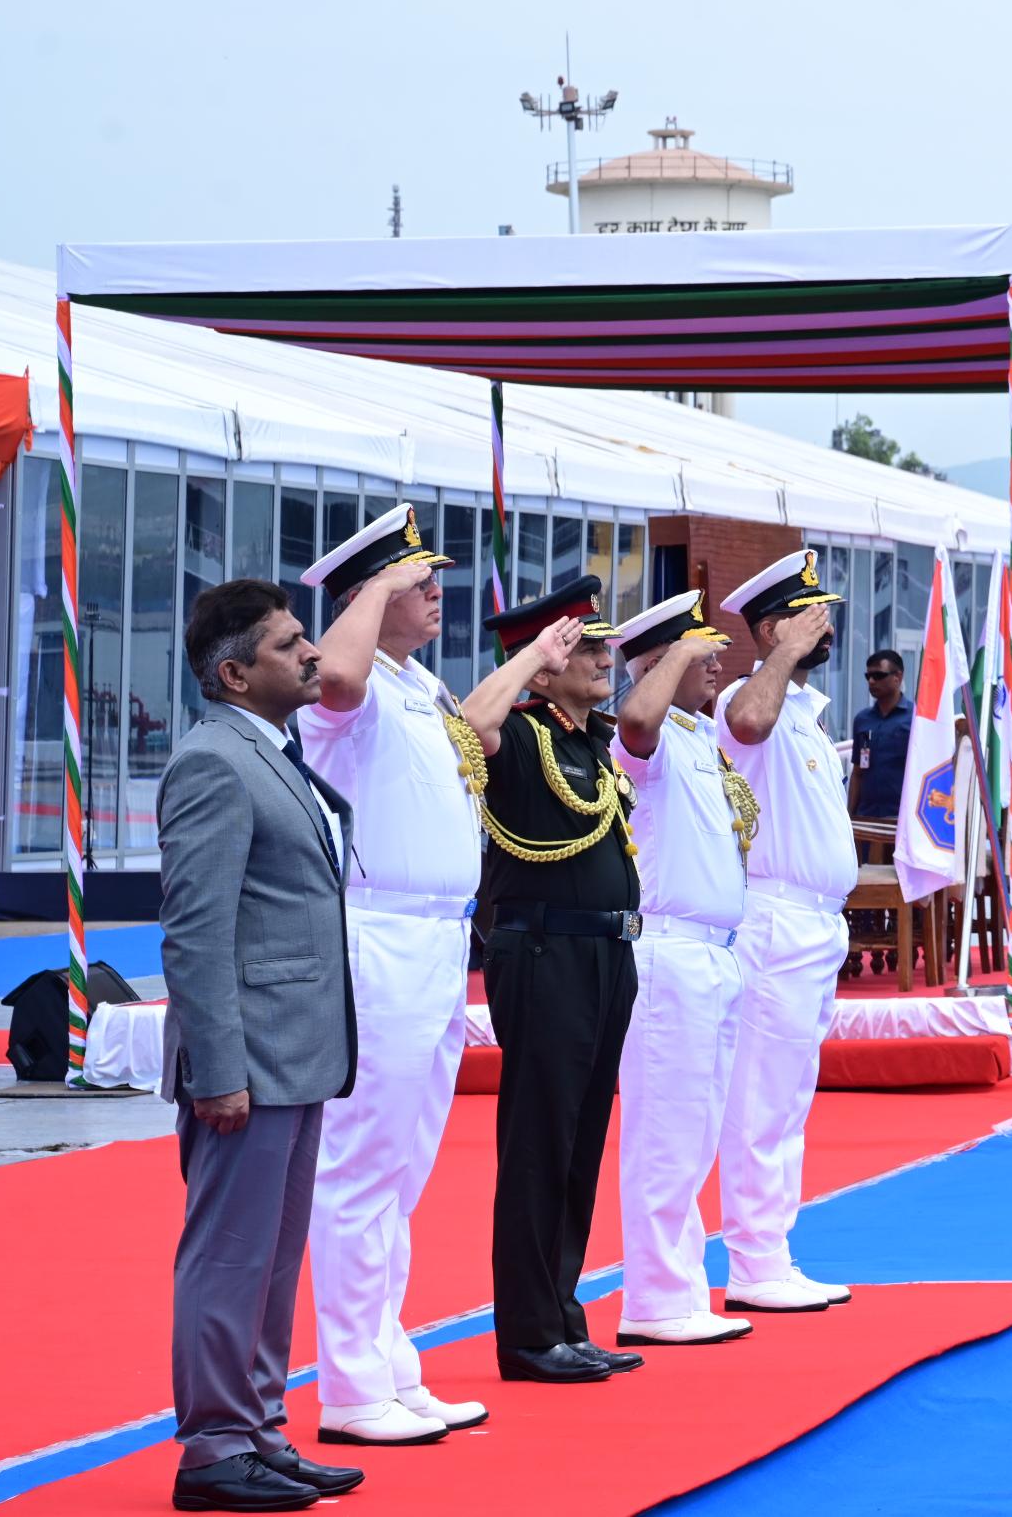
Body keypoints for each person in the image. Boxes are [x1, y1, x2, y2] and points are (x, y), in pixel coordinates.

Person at [159, 579, 368, 1512]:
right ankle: (211, 1449)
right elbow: (195, 934)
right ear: (236, 673)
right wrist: (219, 1070)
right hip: (249, 1061)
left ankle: (259, 1429)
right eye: (291, 646)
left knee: (276, 1258)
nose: (313, 655)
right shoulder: (213, 763)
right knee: (230, 1256)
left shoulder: (270, 752)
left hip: (298, 1053)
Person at [293, 506, 489, 1446]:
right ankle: (351, 1387)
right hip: (380, 938)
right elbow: (331, 673)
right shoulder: (354, 683)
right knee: (362, 1167)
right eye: (418, 581)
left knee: (402, 1171)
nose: (436, 594)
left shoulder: (416, 685)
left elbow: (478, 742)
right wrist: (372, 587)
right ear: (372, 593)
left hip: (438, 942)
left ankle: (389, 1360)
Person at [456, 577, 645, 1385]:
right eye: (585, 647)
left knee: (578, 1144)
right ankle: (530, 1333)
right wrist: (532, 654)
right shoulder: (522, 732)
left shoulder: (585, 741)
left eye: (601, 645)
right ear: (541, 667)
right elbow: (470, 726)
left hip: (604, 955)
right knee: (538, 1143)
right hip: (543, 955)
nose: (605, 659)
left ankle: (563, 1314)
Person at [606, 591, 757, 1347]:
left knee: (695, 1128)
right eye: (703, 650)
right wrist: (669, 662)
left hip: (713, 952)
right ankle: (657, 1297)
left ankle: (680, 1286)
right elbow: (634, 722)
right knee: (666, 1130)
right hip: (668, 950)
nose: (719, 661)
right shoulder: (651, 736)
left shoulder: (699, 737)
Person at [713, 549, 855, 1313]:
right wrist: (782, 656)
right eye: (806, 616)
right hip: (772, 917)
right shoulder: (751, 694)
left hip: (814, 925)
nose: (824, 624)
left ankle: (772, 1249)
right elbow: (742, 722)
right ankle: (755, 1260)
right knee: (762, 1099)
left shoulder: (805, 709)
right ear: (772, 629)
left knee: (788, 1096)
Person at [847, 649, 911, 820]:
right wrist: (850, 816)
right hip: (866, 817)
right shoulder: (862, 720)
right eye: (868, 676)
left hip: (902, 819)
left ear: (898, 676)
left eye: (878, 675)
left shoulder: (916, 719)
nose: (872, 681)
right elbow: (858, 771)